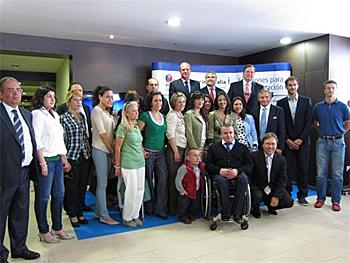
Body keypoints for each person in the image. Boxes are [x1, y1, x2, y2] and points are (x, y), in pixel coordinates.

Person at [0, 77, 40, 262]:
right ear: (1, 94)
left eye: (18, 89)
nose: (16, 93)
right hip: (3, 174)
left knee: (21, 213)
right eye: (10, 90)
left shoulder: (27, 114)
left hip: (24, 173)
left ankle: (19, 248)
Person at [31, 86, 73, 243]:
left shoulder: (55, 114)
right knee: (43, 198)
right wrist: (42, 162)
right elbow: (37, 139)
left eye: (54, 96)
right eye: (49, 96)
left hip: (57, 159)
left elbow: (59, 140)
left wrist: (64, 158)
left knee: (59, 194)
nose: (52, 99)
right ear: (41, 97)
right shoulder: (37, 114)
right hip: (46, 160)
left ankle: (58, 227)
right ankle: (43, 231)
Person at [312, 80, 350, 212]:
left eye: (333, 88)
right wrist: (322, 133)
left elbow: (348, 123)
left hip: (338, 143)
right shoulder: (318, 107)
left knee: (337, 174)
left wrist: (340, 133)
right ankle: (320, 198)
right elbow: (315, 123)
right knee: (321, 173)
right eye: (328, 88)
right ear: (324, 90)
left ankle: (335, 201)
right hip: (322, 142)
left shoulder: (343, 106)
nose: (330, 90)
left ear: (336, 89)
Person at [56, 82, 92, 211]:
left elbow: (86, 134)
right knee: (72, 185)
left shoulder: (83, 114)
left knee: (82, 184)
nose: (78, 101)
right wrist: (63, 158)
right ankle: (72, 211)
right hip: (71, 154)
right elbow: (61, 139)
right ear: (69, 100)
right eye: (75, 99)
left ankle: (80, 207)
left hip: (85, 154)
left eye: (80, 99)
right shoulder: (62, 116)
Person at [205, 125, 252, 223]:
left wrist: (237, 171)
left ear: (234, 133)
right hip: (220, 176)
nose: (228, 135)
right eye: (225, 133)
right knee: (221, 181)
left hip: (238, 175)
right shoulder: (214, 148)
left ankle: (237, 214)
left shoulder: (242, 147)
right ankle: (225, 213)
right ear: (221, 135)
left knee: (243, 178)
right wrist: (219, 171)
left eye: (230, 132)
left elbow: (249, 165)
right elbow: (208, 165)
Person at [277, 76, 313, 205]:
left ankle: (302, 195)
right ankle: (287, 194)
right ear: (286, 87)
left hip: (302, 142)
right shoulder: (281, 103)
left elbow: (309, 123)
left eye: (294, 85)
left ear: (297, 86)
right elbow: (281, 124)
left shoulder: (306, 101)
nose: (292, 87)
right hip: (287, 142)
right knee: (286, 169)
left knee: (303, 169)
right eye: (290, 85)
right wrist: (287, 139)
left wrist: (300, 139)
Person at [91, 86, 119, 225]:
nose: (110, 99)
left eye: (112, 97)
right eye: (107, 96)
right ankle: (104, 215)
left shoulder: (108, 113)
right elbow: (102, 134)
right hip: (100, 150)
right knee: (102, 184)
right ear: (100, 97)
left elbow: (112, 134)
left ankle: (98, 212)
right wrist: (112, 150)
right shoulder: (96, 111)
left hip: (107, 150)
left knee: (104, 183)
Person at [114, 101, 145, 228]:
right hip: (128, 163)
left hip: (140, 162)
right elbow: (117, 148)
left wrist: (143, 152)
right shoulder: (123, 127)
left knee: (139, 190)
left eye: (137, 110)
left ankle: (135, 215)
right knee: (130, 191)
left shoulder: (137, 127)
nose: (136, 112)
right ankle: (127, 217)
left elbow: (139, 144)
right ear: (126, 113)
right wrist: (117, 166)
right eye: (133, 110)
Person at [138, 91, 169, 219]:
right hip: (148, 153)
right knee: (148, 181)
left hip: (161, 154)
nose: (158, 103)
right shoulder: (145, 116)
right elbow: (137, 134)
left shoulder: (163, 116)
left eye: (160, 100)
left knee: (162, 180)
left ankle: (160, 209)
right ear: (150, 102)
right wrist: (141, 150)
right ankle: (149, 207)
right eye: (155, 100)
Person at [166, 92, 187, 215]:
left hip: (182, 149)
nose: (182, 104)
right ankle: (172, 208)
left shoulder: (180, 115)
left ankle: (179, 207)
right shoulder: (172, 115)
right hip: (175, 149)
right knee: (174, 179)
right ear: (174, 102)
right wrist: (175, 152)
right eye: (179, 102)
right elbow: (170, 134)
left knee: (180, 179)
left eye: (183, 102)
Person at [175, 149, 205, 224]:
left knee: (194, 204)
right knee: (184, 205)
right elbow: (178, 180)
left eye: (199, 156)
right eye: (195, 156)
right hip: (186, 191)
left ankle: (192, 215)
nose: (198, 158)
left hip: (196, 190)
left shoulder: (200, 167)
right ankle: (183, 217)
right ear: (188, 157)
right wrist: (181, 190)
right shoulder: (184, 168)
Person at [252, 89, 286, 154]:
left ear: (270, 98)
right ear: (258, 99)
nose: (264, 99)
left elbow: (282, 130)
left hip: (273, 146)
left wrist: (280, 147)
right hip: (258, 147)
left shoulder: (278, 111)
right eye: (262, 97)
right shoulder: (254, 111)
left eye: (267, 97)